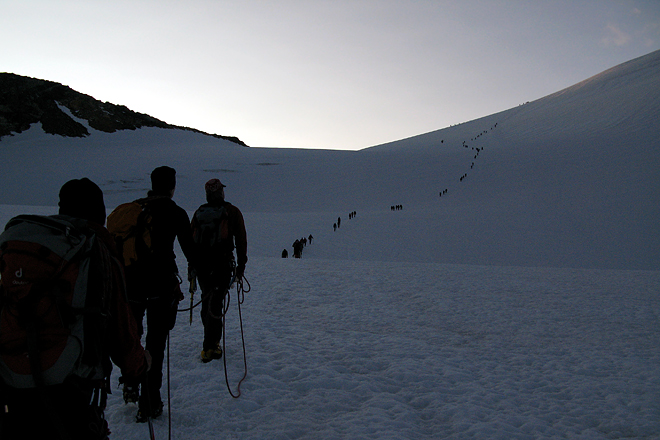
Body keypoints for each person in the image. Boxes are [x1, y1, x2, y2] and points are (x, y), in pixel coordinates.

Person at [0, 178, 150, 439]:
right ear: (99, 212)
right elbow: (122, 333)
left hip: (11, 383)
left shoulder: (33, 247)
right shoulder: (96, 251)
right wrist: (139, 365)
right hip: (70, 390)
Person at [123, 166, 197, 423]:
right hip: (160, 286)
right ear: (172, 187)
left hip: (131, 285)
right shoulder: (175, 212)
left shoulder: (136, 209)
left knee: (132, 337)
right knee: (155, 343)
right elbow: (190, 250)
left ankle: (131, 383)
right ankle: (149, 402)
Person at [190, 178, 247, 363]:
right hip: (222, 265)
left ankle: (210, 342)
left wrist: (192, 268)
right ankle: (211, 346)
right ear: (221, 192)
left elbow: (191, 242)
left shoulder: (199, 212)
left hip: (202, 266)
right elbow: (241, 241)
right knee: (215, 303)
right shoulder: (232, 212)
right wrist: (241, 267)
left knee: (207, 300)